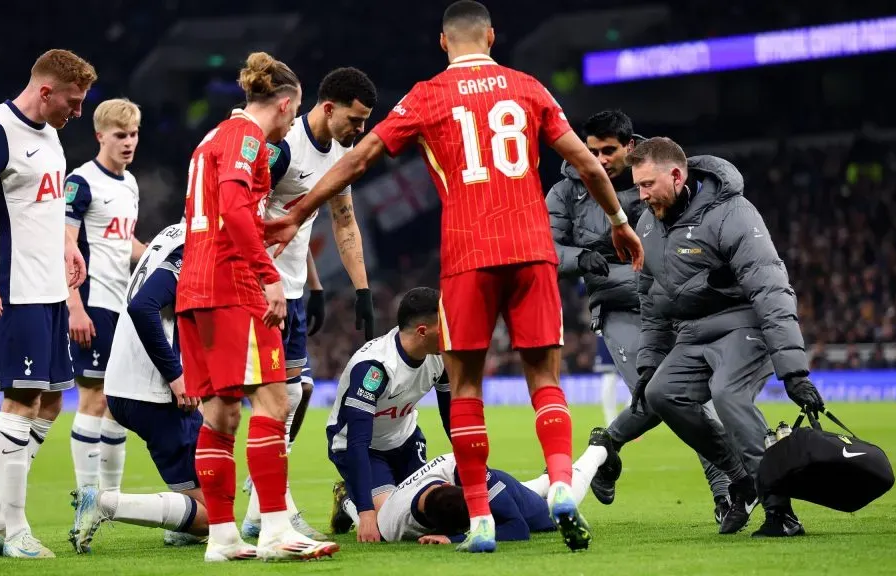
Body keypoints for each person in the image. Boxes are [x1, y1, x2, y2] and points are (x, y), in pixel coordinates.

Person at [265, 0, 642, 553]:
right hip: (531, 247)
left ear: (444, 43)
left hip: (468, 254)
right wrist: (619, 222)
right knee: (545, 379)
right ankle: (562, 483)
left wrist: (297, 211)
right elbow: (588, 164)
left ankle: (481, 521)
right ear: (491, 36)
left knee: (465, 387)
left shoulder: (426, 96)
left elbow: (359, 159)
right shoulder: (529, 87)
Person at [175, 52, 338, 562]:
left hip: (195, 289)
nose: (292, 123)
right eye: (295, 113)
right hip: (233, 286)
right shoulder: (249, 139)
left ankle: (223, 539)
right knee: (274, 404)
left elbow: (226, 214)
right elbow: (232, 207)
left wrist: (278, 227)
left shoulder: (210, 140)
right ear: (287, 105)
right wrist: (268, 276)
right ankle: (273, 530)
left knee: (221, 414)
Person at [627, 137, 825, 537]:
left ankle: (780, 511)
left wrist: (794, 373)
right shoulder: (646, 225)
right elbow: (650, 302)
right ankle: (742, 480)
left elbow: (771, 289)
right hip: (692, 334)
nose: (641, 195)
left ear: (677, 176)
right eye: (638, 186)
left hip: (743, 324)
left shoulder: (732, 213)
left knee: (729, 395)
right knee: (662, 394)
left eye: (648, 184)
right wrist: (649, 366)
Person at [546, 110, 732, 523]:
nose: (598, 159)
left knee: (678, 397)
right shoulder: (564, 193)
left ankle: (605, 448)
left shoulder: (653, 177)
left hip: (675, 304)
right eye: (592, 151)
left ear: (629, 147)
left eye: (608, 151)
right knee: (659, 396)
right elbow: (545, 249)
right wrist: (582, 256)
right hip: (618, 308)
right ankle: (728, 490)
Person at [0, 49, 97, 559]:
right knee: (21, 402)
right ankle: (15, 531)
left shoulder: (52, 136)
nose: (77, 113)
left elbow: (44, 208)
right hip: (13, 290)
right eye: (73, 102)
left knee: (52, 401)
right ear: (46, 91)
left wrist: (67, 246)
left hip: (52, 288)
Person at [241, 67, 379, 541]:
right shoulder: (282, 149)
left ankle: (263, 497)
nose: (359, 129)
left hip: (294, 288)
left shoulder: (342, 155)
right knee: (280, 395)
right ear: (327, 108)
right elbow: (251, 215)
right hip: (262, 289)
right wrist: (266, 279)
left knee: (298, 393)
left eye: (365, 121)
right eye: (355, 119)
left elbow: (341, 222)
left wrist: (355, 289)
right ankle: (267, 505)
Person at [68, 222, 210, 554]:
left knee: (200, 491)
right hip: (155, 392)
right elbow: (143, 306)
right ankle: (103, 503)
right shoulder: (194, 245)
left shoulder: (172, 232)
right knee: (215, 516)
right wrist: (176, 376)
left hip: (123, 386)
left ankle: (182, 528)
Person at [64, 98, 147, 493]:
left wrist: (158, 255)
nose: (128, 142)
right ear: (100, 136)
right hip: (93, 303)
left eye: (133, 134)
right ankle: (86, 496)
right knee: (93, 397)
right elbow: (63, 244)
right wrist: (74, 306)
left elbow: (123, 240)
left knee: (117, 401)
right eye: (120, 135)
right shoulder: (81, 182)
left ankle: (111, 499)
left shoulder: (129, 183)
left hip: (123, 305)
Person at [325, 287, 451, 542]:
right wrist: (366, 513)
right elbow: (357, 441)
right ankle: (348, 500)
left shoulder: (441, 357)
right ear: (422, 331)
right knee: (388, 527)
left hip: (406, 441)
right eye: (445, 324)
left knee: (432, 509)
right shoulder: (375, 368)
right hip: (362, 449)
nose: (452, 331)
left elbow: (452, 417)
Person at [376, 453, 559, 545]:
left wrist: (456, 538)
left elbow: (519, 528)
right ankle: (546, 479)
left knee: (551, 513)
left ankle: (588, 453)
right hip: (488, 488)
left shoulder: (460, 465)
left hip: (490, 481)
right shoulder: (390, 525)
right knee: (527, 493)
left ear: (448, 483)